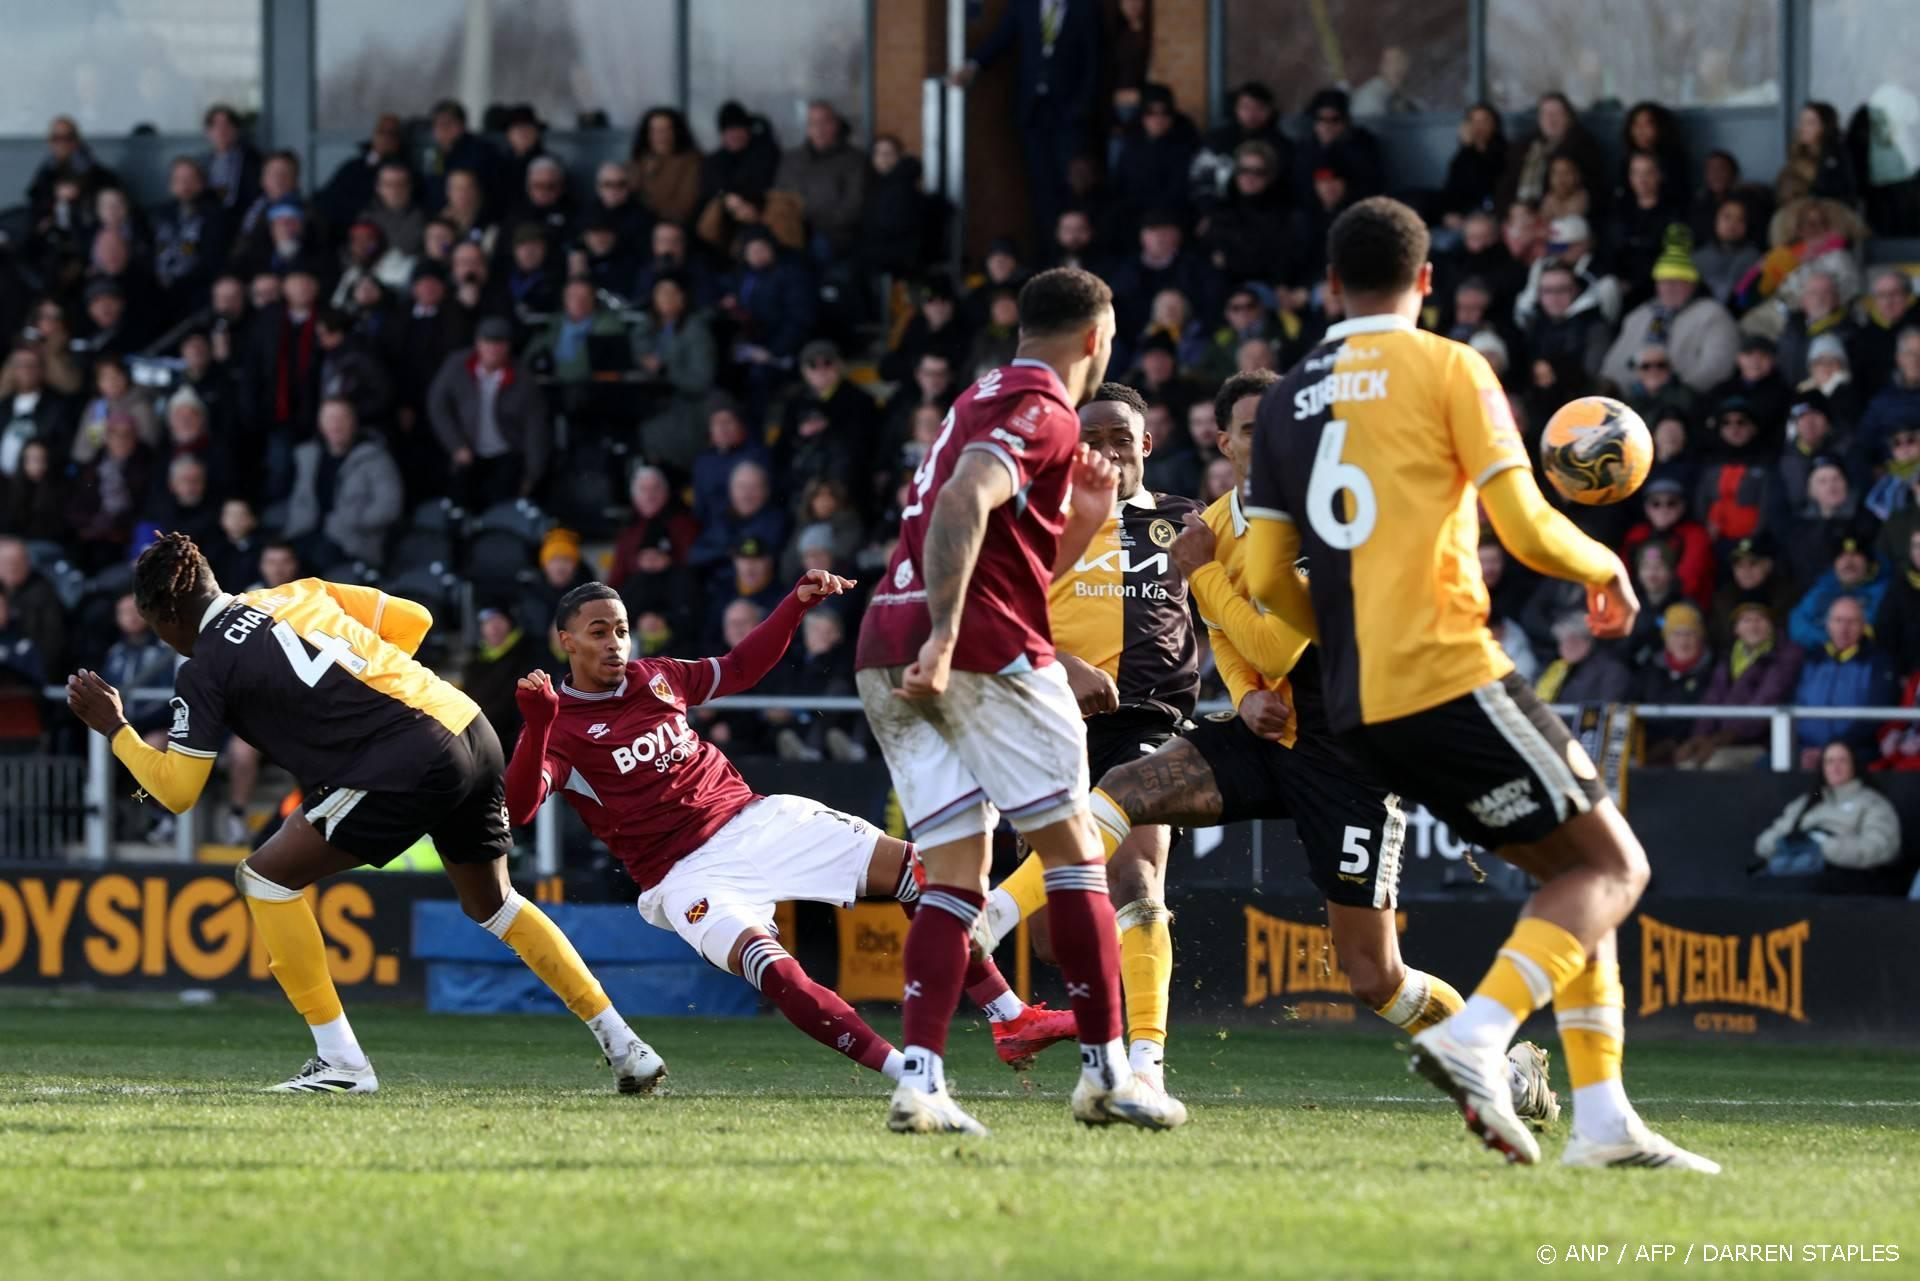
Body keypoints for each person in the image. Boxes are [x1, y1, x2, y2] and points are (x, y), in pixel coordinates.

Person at [1241, 196, 1716, 1171]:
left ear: (1333, 287)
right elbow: (1526, 525)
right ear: (1424, 282)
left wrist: (1349, 629)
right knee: (1619, 870)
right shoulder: (1451, 365)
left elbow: (1259, 580)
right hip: (1452, 673)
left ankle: (1603, 1122)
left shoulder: (1285, 398)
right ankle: (1477, 1033)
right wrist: (1603, 569)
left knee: (1576, 881)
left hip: (1363, 706)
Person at [63, 534, 663, 1094]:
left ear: (166, 617)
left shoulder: (205, 668)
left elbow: (176, 791)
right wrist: (359, 691)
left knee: (265, 879)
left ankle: (342, 1061)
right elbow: (416, 621)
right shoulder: (297, 592)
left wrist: (115, 728)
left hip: (405, 757)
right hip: (466, 725)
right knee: (495, 904)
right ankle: (625, 1045)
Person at [856, 267, 1184, 1135]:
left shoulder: (978, 396)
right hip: (973, 650)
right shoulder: (1046, 405)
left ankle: (920, 1082)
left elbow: (1010, 548)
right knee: (1077, 854)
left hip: (880, 644)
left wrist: (1077, 519)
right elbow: (967, 497)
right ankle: (1108, 1073)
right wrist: (947, 635)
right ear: (1096, 339)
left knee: (954, 874)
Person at [505, 576, 1047, 1084]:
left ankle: (1010, 1019)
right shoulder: (560, 727)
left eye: (622, 631)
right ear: (566, 642)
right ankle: (910, 1074)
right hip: (687, 877)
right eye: (599, 633)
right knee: (776, 973)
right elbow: (520, 806)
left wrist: (797, 603)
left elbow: (741, 667)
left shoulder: (658, 677)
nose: (615, 644)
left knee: (921, 874)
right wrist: (537, 725)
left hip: (758, 820)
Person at [950, 0, 1100, 246]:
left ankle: (1078, 255)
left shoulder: (1084, 8)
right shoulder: (1024, 6)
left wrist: (1083, 107)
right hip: (1033, 112)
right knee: (1042, 188)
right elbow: (1000, 38)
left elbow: (1094, 60)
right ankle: (1048, 255)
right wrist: (972, 66)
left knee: (1075, 187)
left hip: (1071, 116)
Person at [426, 316, 551, 508]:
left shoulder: (524, 380)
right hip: (467, 452)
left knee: (500, 510)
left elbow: (535, 430)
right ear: (478, 343)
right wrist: (456, 445)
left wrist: (531, 475)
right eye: (488, 342)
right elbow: (437, 405)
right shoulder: (457, 365)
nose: (493, 348)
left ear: (508, 346)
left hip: (507, 454)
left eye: (500, 343)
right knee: (459, 506)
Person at [1755, 742, 1902, 893]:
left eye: (1842, 760)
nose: (1835, 767)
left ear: (1855, 765)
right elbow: (1765, 842)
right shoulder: (1809, 800)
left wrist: (1824, 847)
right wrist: (1787, 844)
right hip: (1790, 881)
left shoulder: (1871, 801)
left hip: (1844, 886)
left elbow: (1883, 848)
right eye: (1829, 761)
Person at [1677, 602, 1804, 770]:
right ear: (1736, 629)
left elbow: (1766, 701)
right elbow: (1711, 700)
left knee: (1715, 765)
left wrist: (1719, 740)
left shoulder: (1784, 656)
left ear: (1771, 626)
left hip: (1760, 744)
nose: (1753, 626)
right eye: (1746, 620)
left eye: (1759, 619)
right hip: (1721, 741)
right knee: (1686, 764)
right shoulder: (1728, 658)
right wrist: (1699, 738)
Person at [1600, 245, 1739, 395]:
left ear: (1692, 285)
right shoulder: (1639, 316)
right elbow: (1613, 364)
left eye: (1677, 282)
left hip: (1686, 401)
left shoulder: (1713, 314)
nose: (1669, 288)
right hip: (1632, 401)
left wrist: (1675, 392)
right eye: (1663, 281)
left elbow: (1718, 366)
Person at [282, 398, 403, 571]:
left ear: (354, 422)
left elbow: (389, 508)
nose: (336, 425)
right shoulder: (307, 457)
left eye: (342, 418)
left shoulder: (376, 459)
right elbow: (297, 500)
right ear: (320, 424)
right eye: (330, 419)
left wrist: (351, 520)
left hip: (353, 543)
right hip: (305, 535)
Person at [1794, 594, 1895, 769]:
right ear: (1828, 624)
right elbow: (1794, 705)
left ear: (1863, 626)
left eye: (1852, 621)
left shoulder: (1878, 662)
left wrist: (1832, 751)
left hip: (1855, 753)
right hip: (1807, 752)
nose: (1844, 628)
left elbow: (1875, 715)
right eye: (1838, 621)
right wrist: (1804, 748)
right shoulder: (1812, 659)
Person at [630, 107, 703, 227]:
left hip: (674, 227)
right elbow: (628, 197)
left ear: (677, 132)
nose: (660, 136)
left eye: (666, 130)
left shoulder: (692, 162)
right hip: (639, 226)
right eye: (654, 131)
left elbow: (684, 207)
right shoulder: (640, 160)